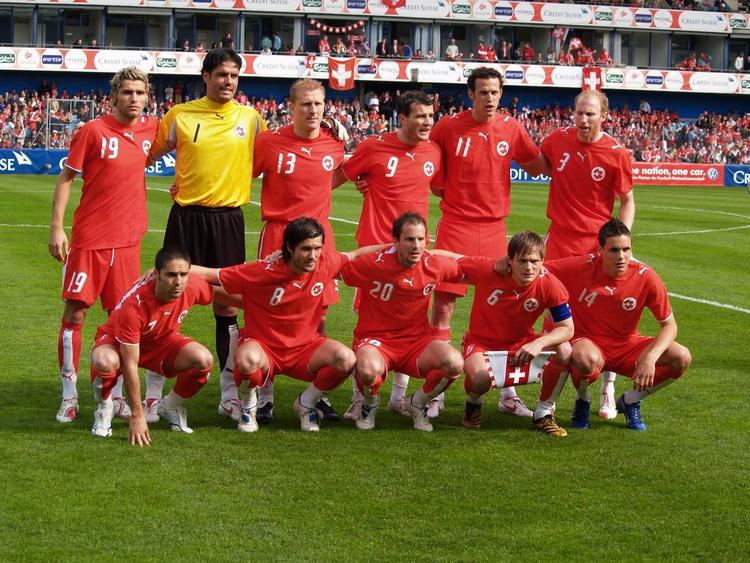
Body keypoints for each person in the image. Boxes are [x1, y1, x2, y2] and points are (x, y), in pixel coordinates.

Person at [148, 48, 266, 423]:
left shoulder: (251, 119)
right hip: (185, 218)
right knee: (165, 300)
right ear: (206, 76)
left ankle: (229, 394)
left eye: (233, 75)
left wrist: (325, 127)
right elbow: (144, 154)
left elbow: (278, 152)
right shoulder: (179, 115)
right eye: (221, 74)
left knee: (227, 306)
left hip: (228, 220)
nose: (227, 81)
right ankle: (152, 394)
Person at [428, 66, 546, 418]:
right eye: (483, 92)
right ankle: (435, 389)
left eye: (495, 92)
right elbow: (428, 167)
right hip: (456, 225)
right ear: (470, 94)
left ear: (501, 94)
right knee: (444, 306)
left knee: (503, 311)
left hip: (495, 230)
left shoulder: (512, 128)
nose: (489, 98)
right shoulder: (448, 127)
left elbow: (539, 165)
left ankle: (507, 392)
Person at [190, 218, 380, 432]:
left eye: (317, 248)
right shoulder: (263, 270)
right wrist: (165, 269)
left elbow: (356, 254)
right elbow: (209, 274)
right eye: (306, 249)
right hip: (265, 348)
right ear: (289, 247)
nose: (313, 255)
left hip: (305, 348)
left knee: (346, 359)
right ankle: (249, 406)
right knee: (246, 360)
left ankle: (305, 403)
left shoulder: (325, 263)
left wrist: (399, 247)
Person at [48, 66, 158, 424]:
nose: (134, 99)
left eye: (140, 93)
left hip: (127, 243)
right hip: (90, 240)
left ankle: (113, 391)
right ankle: (68, 395)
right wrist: (56, 228)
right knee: (75, 314)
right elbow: (66, 179)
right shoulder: (92, 131)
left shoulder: (151, 129)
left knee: (122, 320)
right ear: (113, 97)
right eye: (127, 92)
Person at [333, 91, 441, 418]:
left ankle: (398, 397)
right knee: (369, 321)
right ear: (403, 118)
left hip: (414, 251)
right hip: (376, 251)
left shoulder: (434, 152)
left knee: (409, 319)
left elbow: (443, 188)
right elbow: (338, 176)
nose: (426, 122)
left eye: (430, 116)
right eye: (419, 116)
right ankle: (359, 396)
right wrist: (361, 181)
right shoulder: (374, 147)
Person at [250, 78, 346, 422]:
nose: (313, 110)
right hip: (278, 235)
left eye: (319, 103)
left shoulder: (334, 145)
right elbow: (238, 175)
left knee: (319, 314)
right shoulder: (269, 143)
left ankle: (314, 396)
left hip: (320, 240)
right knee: (268, 312)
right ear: (291, 107)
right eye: (305, 104)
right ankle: (265, 394)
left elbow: (347, 173)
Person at [538, 89, 635, 419]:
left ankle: (607, 387)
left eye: (590, 114)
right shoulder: (556, 140)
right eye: (579, 112)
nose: (583, 119)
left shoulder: (616, 153)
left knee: (606, 319)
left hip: (596, 247)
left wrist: (620, 239)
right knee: (555, 322)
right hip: (560, 245)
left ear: (604, 116)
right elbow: (533, 163)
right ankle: (546, 404)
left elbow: (628, 200)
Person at [544, 220, 692, 431]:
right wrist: (505, 262)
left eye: (626, 249)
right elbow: (537, 269)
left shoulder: (646, 276)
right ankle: (583, 400)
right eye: (614, 250)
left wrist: (650, 357)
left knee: (682, 357)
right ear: (600, 250)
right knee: (584, 358)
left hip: (627, 345)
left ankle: (630, 400)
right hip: (589, 343)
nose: (621, 256)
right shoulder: (580, 266)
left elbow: (669, 325)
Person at [340, 213, 464, 432]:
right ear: (395, 241)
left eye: (420, 239)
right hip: (375, 340)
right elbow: (330, 268)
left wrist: (509, 266)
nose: (416, 245)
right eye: (409, 239)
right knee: (368, 370)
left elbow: (470, 268)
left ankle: (417, 403)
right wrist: (283, 259)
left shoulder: (433, 264)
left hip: (415, 343)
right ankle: (369, 405)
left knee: (454, 362)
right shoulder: (373, 264)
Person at [89, 247, 219, 442]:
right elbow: (130, 364)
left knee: (203, 359)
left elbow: (228, 295)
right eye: (171, 275)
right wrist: (138, 416)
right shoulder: (135, 305)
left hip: (161, 343)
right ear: (156, 274)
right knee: (104, 360)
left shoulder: (191, 286)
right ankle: (105, 408)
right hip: (117, 342)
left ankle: (171, 406)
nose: (178, 281)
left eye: (184, 274)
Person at [453, 231, 573, 436]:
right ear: (510, 261)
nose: (528, 267)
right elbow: (452, 259)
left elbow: (567, 328)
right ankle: (473, 405)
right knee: (480, 379)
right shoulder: (488, 269)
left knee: (565, 350)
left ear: (542, 261)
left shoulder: (550, 284)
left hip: (521, 343)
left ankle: (543, 414)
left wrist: (540, 342)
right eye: (522, 261)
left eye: (534, 261)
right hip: (482, 343)